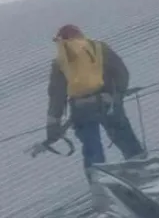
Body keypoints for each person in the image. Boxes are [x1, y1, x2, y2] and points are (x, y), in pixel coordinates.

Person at [45, 24, 146, 169]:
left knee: (92, 147)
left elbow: (56, 95)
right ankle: (141, 167)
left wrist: (53, 125)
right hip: (107, 103)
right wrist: (117, 96)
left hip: (80, 109)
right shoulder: (99, 48)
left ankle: (98, 179)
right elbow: (122, 73)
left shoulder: (60, 62)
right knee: (124, 137)